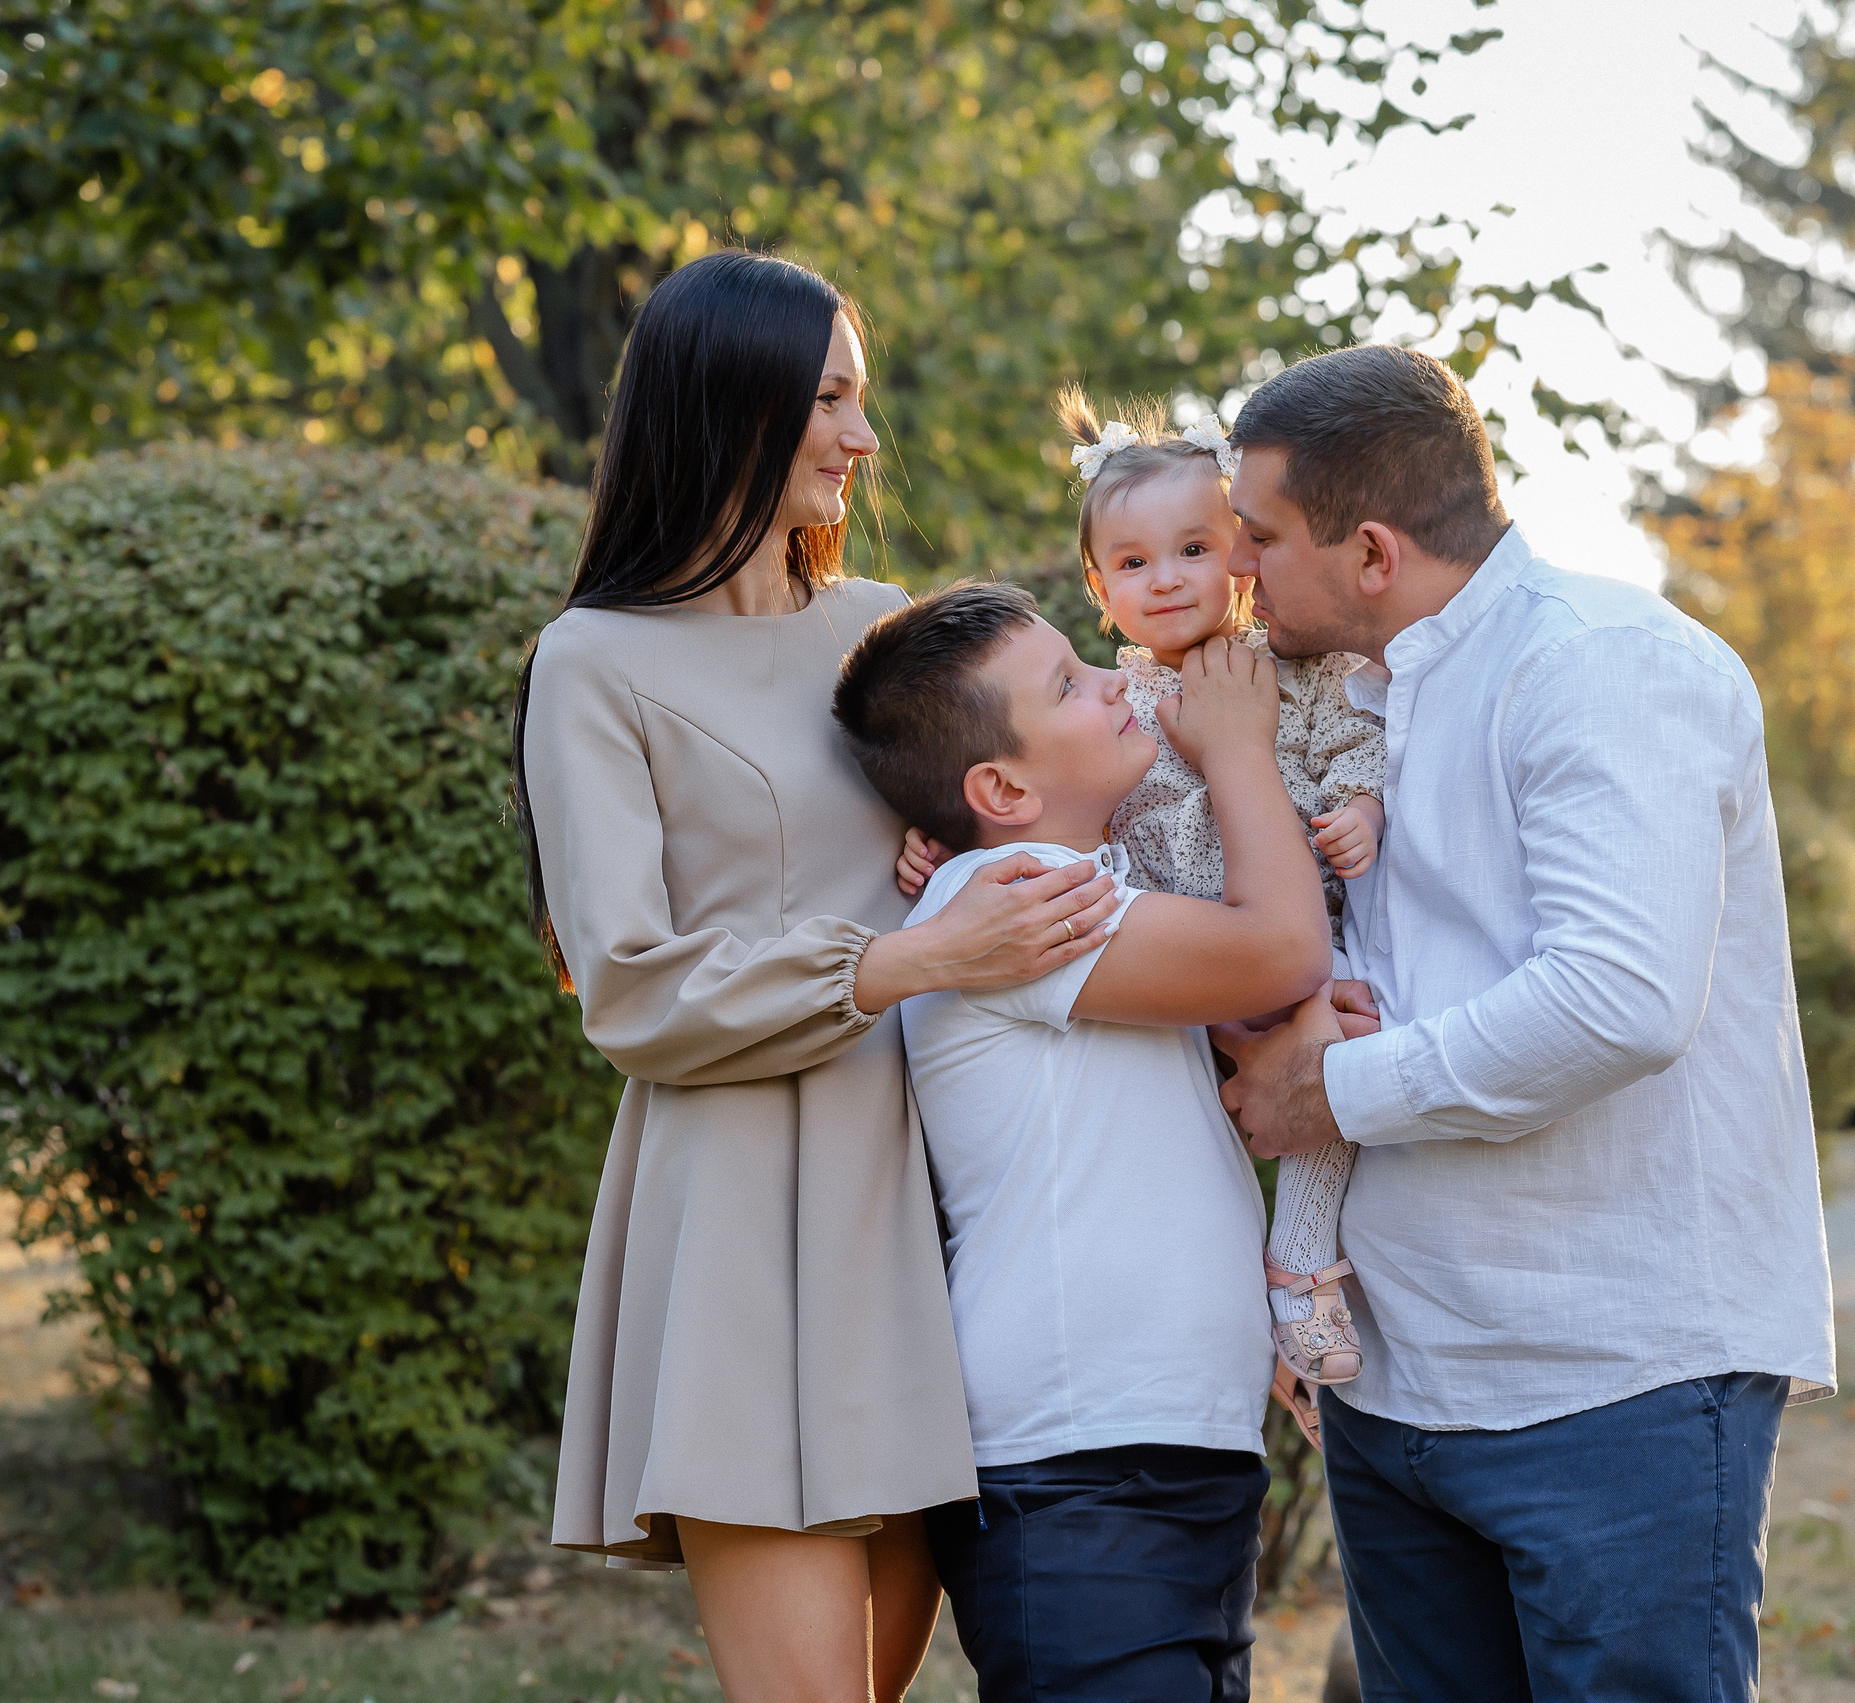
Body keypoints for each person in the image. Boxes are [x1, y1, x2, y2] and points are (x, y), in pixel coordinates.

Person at [511, 251, 1129, 1703]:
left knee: (894, 1674)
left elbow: (1053, 795)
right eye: (831, 401)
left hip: (940, 1197)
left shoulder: (883, 623)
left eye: (861, 399)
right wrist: (906, 953)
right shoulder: (591, 662)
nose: (863, 438)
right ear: (732, 410)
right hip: (744, 1215)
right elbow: (632, 988)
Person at [1210, 343, 1836, 1702]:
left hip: (1613, 1380)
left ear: (1370, 548)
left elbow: (1618, 998)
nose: (1234, 567)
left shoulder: (1606, 666)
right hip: (1397, 1381)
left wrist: (1335, 1090)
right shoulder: (1335, 705)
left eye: (1257, 536)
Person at [832, 581, 1343, 1703]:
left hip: (1166, 1450)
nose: (1115, 679)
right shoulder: (1011, 897)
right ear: (1001, 788)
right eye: (1069, 682)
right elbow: (1281, 948)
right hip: (1078, 1474)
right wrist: (1237, 747)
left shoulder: (1094, 888)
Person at [895, 387, 1384, 1418]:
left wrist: (1360, 806)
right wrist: (946, 836)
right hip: (1187, 960)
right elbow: (1062, 816)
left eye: (1194, 550)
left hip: (1289, 950)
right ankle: (1278, 1305)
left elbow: (1362, 745)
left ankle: (1299, 1272)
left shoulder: (1295, 673)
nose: (1166, 580)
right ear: (1097, 583)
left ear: (1239, 556)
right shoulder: (1118, 700)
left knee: (1325, 1065)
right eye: (1132, 563)